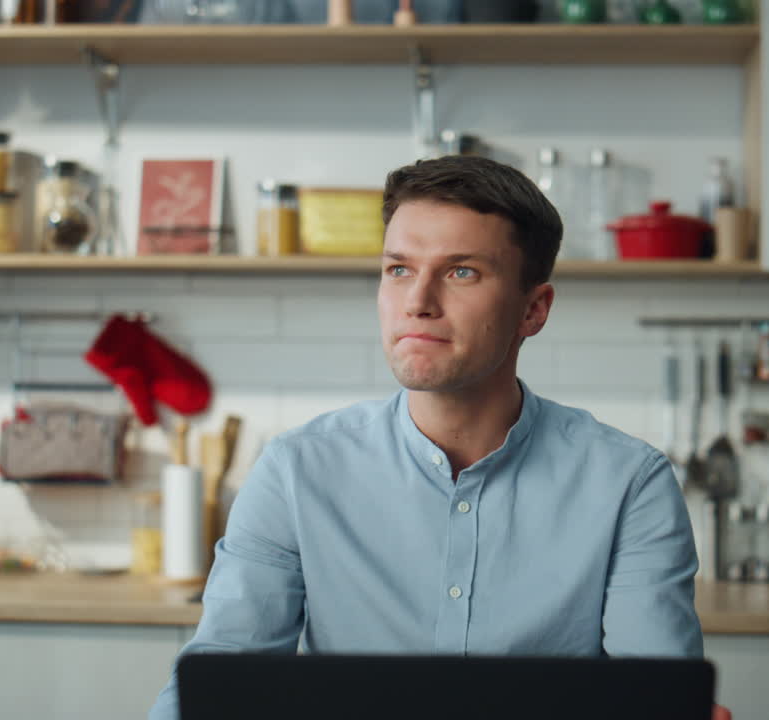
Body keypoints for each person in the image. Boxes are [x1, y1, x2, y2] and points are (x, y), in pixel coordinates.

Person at [148, 155, 726, 720]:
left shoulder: (630, 484)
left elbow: (655, 699)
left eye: (461, 272)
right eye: (398, 269)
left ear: (533, 310)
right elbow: (217, 680)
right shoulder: (296, 471)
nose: (417, 302)